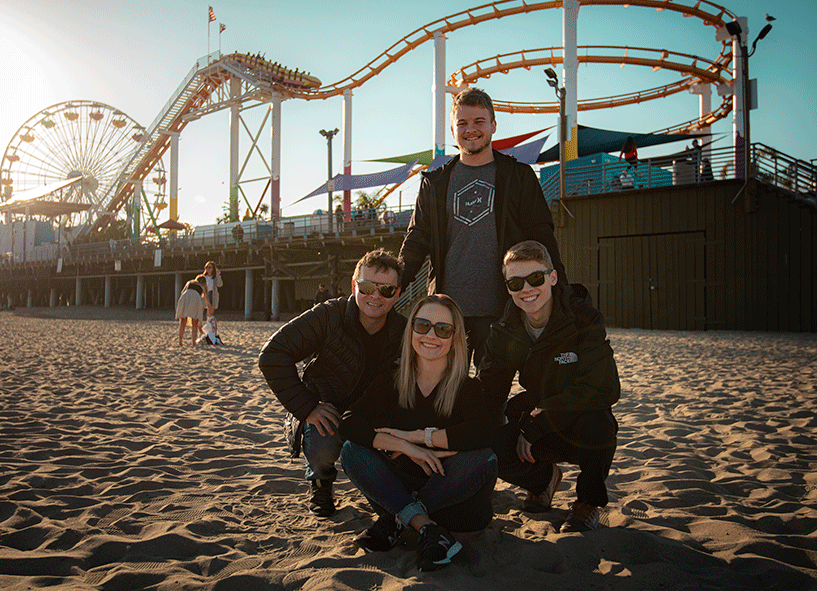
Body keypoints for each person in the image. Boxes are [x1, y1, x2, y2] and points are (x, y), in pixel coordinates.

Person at [399, 87, 566, 368]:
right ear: (453, 130)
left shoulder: (518, 176)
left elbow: (542, 238)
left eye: (479, 122)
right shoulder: (435, 183)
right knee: (446, 394)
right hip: (447, 313)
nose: (471, 130)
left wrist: (561, 292)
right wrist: (392, 286)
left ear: (493, 125)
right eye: (462, 123)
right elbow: (417, 240)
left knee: (491, 397)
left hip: (503, 311)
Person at [340, 294, 500, 571]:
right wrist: (407, 448)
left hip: (454, 502)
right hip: (397, 491)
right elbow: (350, 422)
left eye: (443, 329)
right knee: (351, 452)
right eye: (422, 325)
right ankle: (424, 526)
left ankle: (402, 519)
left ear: (454, 338)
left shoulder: (467, 387)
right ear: (411, 329)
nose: (431, 335)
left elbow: (483, 434)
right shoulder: (392, 376)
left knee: (484, 459)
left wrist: (419, 437)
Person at [479, 240, 620, 532]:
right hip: (536, 419)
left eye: (535, 278)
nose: (526, 289)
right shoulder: (507, 330)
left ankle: (587, 503)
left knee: (600, 422)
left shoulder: (582, 318)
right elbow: (489, 390)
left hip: (577, 417)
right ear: (507, 287)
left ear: (552, 277)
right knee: (490, 446)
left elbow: (604, 386)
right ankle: (543, 481)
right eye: (515, 282)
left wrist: (539, 421)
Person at [258, 249, 406, 517]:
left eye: (385, 290)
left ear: (397, 294)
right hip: (328, 408)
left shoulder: (404, 330)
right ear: (353, 286)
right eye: (367, 287)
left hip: (373, 413)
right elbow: (272, 354)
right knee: (321, 438)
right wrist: (307, 406)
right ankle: (321, 484)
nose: (375, 296)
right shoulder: (329, 315)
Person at [175, 275, 207, 346]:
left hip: (185, 296)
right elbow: (205, 297)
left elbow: (182, 292)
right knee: (194, 322)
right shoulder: (202, 287)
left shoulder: (189, 282)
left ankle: (180, 341)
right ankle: (193, 342)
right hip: (195, 298)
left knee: (183, 321)